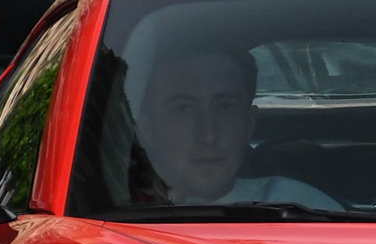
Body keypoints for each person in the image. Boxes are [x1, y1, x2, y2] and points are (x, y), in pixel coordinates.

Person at [124, 49, 339, 209]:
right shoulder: (111, 217)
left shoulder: (305, 208)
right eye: (184, 109)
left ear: (250, 123)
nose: (208, 135)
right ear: (147, 128)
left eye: (225, 107)